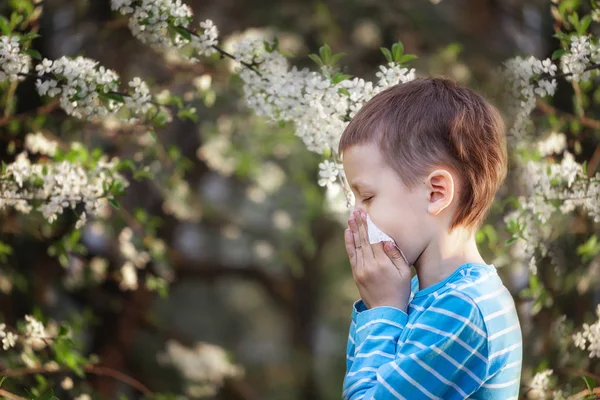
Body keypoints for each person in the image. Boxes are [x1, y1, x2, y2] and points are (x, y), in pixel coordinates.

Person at [340, 77, 522, 399]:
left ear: (436, 193)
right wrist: (381, 306)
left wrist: (381, 311)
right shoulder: (412, 294)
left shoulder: (464, 308)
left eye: (366, 198)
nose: (356, 215)